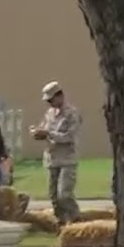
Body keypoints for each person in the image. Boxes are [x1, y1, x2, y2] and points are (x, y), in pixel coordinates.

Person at [30, 81, 82, 225]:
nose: (49, 103)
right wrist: (37, 133)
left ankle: (75, 220)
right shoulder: (49, 114)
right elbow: (44, 129)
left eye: (51, 99)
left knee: (64, 194)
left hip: (67, 160)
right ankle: (61, 223)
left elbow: (70, 137)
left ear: (60, 96)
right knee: (53, 196)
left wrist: (49, 133)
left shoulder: (72, 114)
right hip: (51, 159)